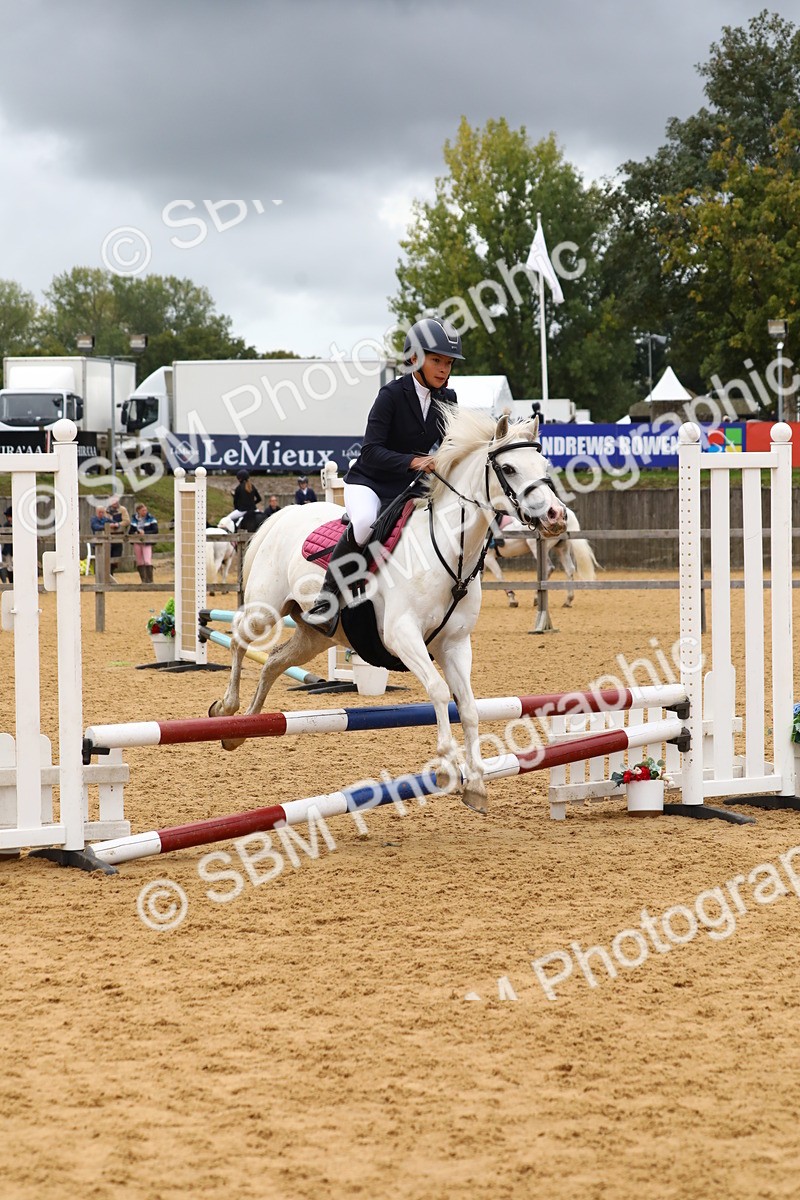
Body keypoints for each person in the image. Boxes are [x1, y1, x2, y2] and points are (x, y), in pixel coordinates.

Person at [301, 315, 463, 636]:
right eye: (436, 360)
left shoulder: (448, 398)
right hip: (370, 482)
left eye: (448, 362)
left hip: (409, 488)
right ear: (414, 358)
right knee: (363, 524)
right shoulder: (390, 395)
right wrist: (415, 461)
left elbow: (452, 444)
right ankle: (326, 599)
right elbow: (371, 450)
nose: (444, 368)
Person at [128, 502, 159, 583]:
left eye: (145, 510)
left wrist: (145, 532)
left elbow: (155, 530)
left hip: (147, 541)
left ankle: (150, 580)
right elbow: (130, 531)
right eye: (143, 510)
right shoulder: (134, 520)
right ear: (138, 511)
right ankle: (144, 580)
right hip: (137, 541)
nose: (145, 512)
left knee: (147, 560)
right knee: (140, 561)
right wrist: (135, 533)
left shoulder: (151, 518)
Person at [105, 496, 130, 576]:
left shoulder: (122, 509)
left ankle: (112, 571)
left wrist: (118, 524)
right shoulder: (106, 510)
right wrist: (109, 525)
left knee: (116, 555)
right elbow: (103, 520)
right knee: (108, 554)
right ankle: (108, 574)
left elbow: (127, 521)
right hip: (108, 535)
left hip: (118, 535)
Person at [0, 506, 12, 584]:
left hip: (16, 551)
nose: (8, 518)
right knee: (8, 568)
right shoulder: (6, 525)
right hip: (8, 551)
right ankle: (10, 583)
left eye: (9, 516)